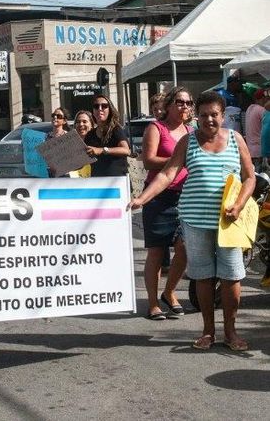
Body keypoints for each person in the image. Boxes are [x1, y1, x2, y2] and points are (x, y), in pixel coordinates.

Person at [129, 91, 255, 351]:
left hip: (228, 223)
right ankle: (208, 332)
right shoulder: (188, 141)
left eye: (215, 115)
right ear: (196, 116)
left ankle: (230, 332)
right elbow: (167, 174)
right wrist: (143, 198)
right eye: (204, 115)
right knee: (204, 277)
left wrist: (239, 203)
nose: (209, 119)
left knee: (232, 277)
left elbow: (249, 177)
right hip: (195, 222)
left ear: (223, 116)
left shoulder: (236, 139)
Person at [139, 87, 194, 320]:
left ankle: (169, 292)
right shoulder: (156, 128)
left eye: (188, 103)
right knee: (156, 251)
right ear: (169, 105)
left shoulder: (191, 131)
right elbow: (148, 161)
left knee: (184, 248)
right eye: (180, 102)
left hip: (185, 197)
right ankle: (153, 302)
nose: (185, 107)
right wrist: (177, 161)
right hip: (159, 198)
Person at [84, 94, 130, 177]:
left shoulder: (115, 129)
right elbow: (81, 159)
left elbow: (126, 150)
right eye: (96, 106)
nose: (100, 109)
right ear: (93, 111)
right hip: (97, 183)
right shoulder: (90, 135)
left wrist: (101, 150)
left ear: (110, 110)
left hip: (117, 183)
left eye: (104, 106)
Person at [244, 88, 268, 169]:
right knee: (263, 179)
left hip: (250, 151)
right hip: (260, 152)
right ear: (263, 98)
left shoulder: (249, 109)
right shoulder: (262, 110)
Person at [71, 110, 95, 177]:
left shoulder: (98, 145)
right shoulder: (69, 146)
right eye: (78, 122)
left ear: (92, 125)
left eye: (84, 121)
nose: (81, 124)